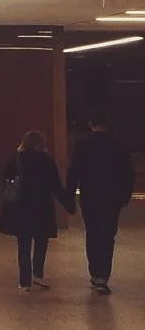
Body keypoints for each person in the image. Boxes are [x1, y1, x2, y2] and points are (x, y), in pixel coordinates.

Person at [0, 130, 75, 292]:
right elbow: (56, 186)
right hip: (41, 206)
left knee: (23, 244)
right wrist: (69, 205)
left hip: (21, 205)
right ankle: (37, 275)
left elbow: (6, 178)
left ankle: (24, 281)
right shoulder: (46, 161)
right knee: (41, 241)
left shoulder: (16, 159)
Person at [67, 112, 135, 295]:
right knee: (107, 236)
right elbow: (128, 174)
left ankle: (95, 272)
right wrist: (124, 197)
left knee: (93, 233)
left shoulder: (83, 146)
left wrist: (69, 198)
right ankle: (103, 276)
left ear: (91, 124)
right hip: (112, 199)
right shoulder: (118, 146)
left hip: (89, 197)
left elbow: (74, 172)